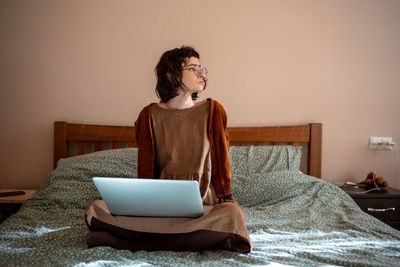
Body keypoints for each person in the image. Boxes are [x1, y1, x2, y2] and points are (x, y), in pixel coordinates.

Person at [85, 46, 251, 253]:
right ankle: (209, 240)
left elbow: (222, 168)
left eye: (201, 68)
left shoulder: (214, 110)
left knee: (233, 215)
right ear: (170, 74)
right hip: (160, 207)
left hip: (207, 204)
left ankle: (121, 242)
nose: (201, 74)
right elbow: (146, 172)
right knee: (96, 208)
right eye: (193, 68)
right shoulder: (148, 116)